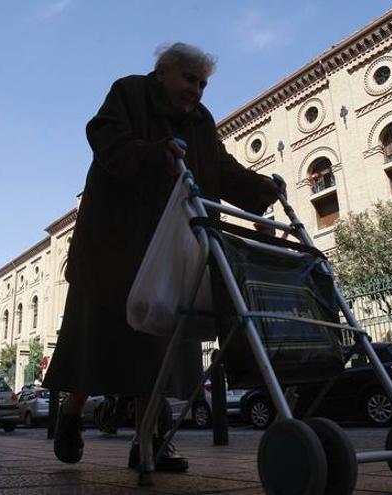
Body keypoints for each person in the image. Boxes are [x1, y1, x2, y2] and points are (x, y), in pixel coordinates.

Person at [43, 42, 280, 472]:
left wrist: (258, 188)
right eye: (190, 79)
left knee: (154, 346)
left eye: (203, 83)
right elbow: (105, 137)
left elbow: (219, 167)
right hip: (113, 247)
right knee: (94, 341)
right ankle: (73, 415)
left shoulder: (201, 121)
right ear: (163, 72)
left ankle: (149, 442)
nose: (197, 91)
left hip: (169, 246)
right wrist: (155, 155)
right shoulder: (130, 92)